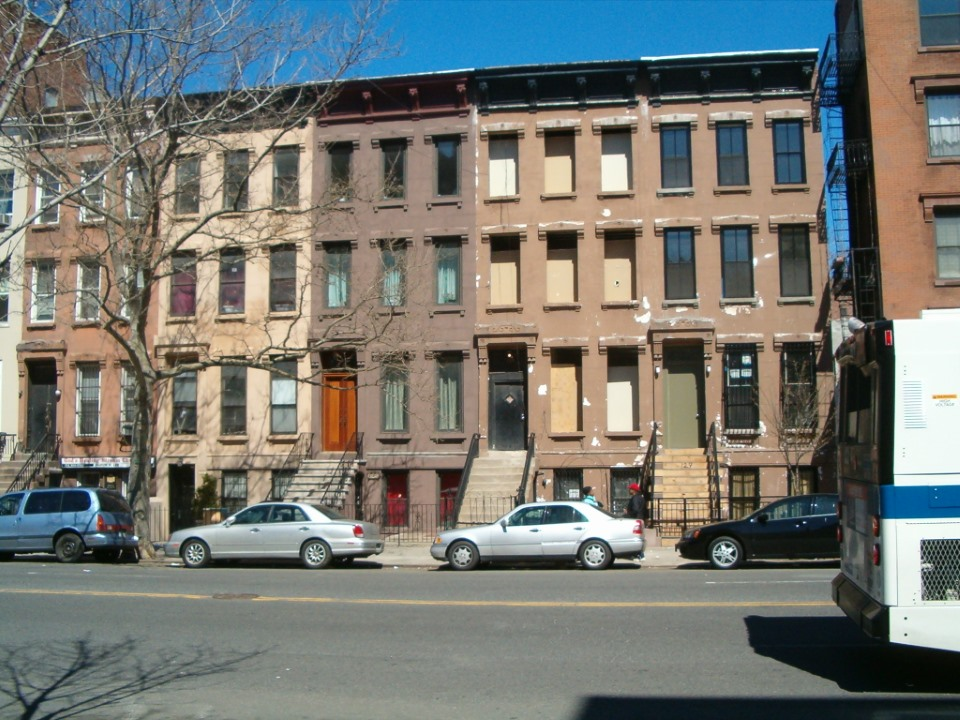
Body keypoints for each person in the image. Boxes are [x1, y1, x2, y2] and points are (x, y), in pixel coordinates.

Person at [623, 482, 646, 560]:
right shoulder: (641, 498)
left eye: (630, 489)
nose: (629, 490)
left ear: (633, 490)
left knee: (634, 537)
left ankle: (640, 555)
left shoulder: (635, 498)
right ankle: (638, 554)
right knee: (638, 537)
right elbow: (644, 510)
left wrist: (627, 512)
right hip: (640, 519)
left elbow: (635, 509)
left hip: (635, 520)